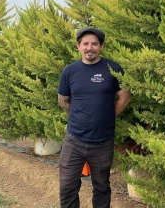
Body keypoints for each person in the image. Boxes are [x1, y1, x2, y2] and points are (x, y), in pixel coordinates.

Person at [58, 26, 131, 208]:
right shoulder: (70, 71)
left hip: (103, 141)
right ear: (78, 46)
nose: (90, 47)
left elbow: (125, 96)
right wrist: (78, 116)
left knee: (102, 186)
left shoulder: (113, 68)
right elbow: (63, 99)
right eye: (85, 44)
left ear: (101, 46)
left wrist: (107, 116)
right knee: (67, 186)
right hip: (74, 140)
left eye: (94, 44)